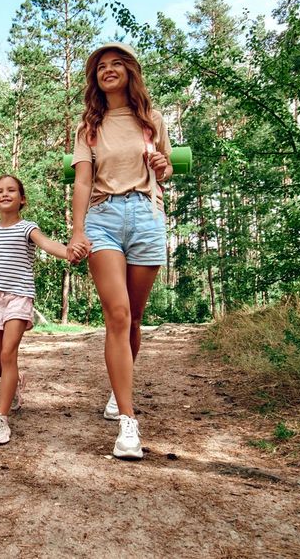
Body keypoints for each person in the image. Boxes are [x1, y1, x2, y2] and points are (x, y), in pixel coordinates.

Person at [66, 42, 172, 461]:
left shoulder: (153, 120)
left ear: (130, 71)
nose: (108, 70)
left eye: (116, 64)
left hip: (146, 216)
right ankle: (129, 424)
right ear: (95, 78)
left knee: (135, 319)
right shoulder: (89, 126)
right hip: (103, 218)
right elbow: (81, 182)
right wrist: (77, 231)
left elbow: (162, 169)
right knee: (118, 313)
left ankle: (117, 389)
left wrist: (162, 167)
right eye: (101, 67)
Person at [0, 175, 69, 445]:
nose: (4, 194)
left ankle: (0, 418)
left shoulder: (28, 228)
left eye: (11, 190)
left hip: (19, 297)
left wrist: (69, 252)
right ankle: (16, 381)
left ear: (22, 198)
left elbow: (47, 244)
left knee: (8, 354)